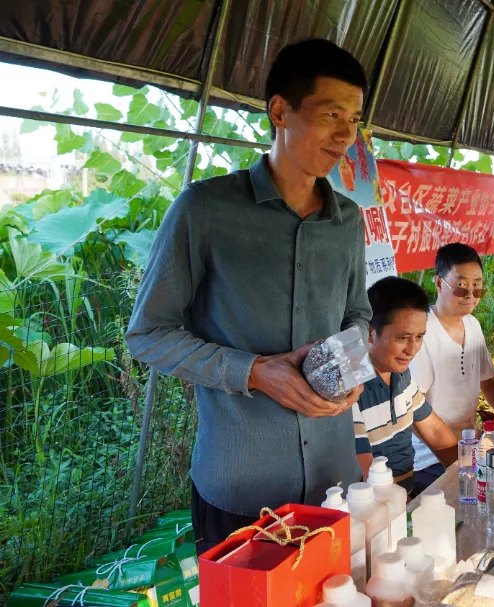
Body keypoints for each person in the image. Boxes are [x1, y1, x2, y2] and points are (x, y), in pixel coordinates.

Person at [125, 39, 371, 554]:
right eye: (331, 115)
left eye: (354, 119)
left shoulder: (348, 221)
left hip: (334, 477)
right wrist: (254, 370)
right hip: (242, 485)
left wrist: (352, 368)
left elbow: (356, 313)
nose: (346, 135)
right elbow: (148, 334)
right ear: (280, 111)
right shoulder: (206, 210)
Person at [409, 244, 494, 493]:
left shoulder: (472, 325)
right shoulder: (422, 332)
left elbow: (488, 383)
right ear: (438, 283)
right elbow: (414, 409)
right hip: (431, 459)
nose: (470, 294)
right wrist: (457, 464)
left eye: (477, 286)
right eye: (461, 285)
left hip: (470, 447)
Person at [354, 276, 458, 496]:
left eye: (419, 337)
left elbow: (436, 432)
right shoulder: (352, 388)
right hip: (379, 508)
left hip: (407, 496)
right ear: (370, 332)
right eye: (402, 338)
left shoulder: (400, 374)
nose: (412, 349)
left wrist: (469, 474)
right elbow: (366, 474)